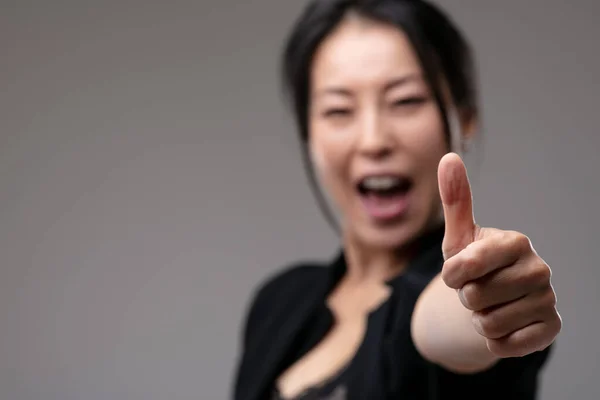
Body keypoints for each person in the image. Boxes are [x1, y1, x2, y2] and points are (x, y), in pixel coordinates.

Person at [233, 1, 562, 399]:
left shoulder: (470, 290)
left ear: (465, 119)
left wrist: (484, 306)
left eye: (405, 101)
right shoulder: (280, 301)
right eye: (338, 110)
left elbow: (445, 321)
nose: (373, 141)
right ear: (309, 133)